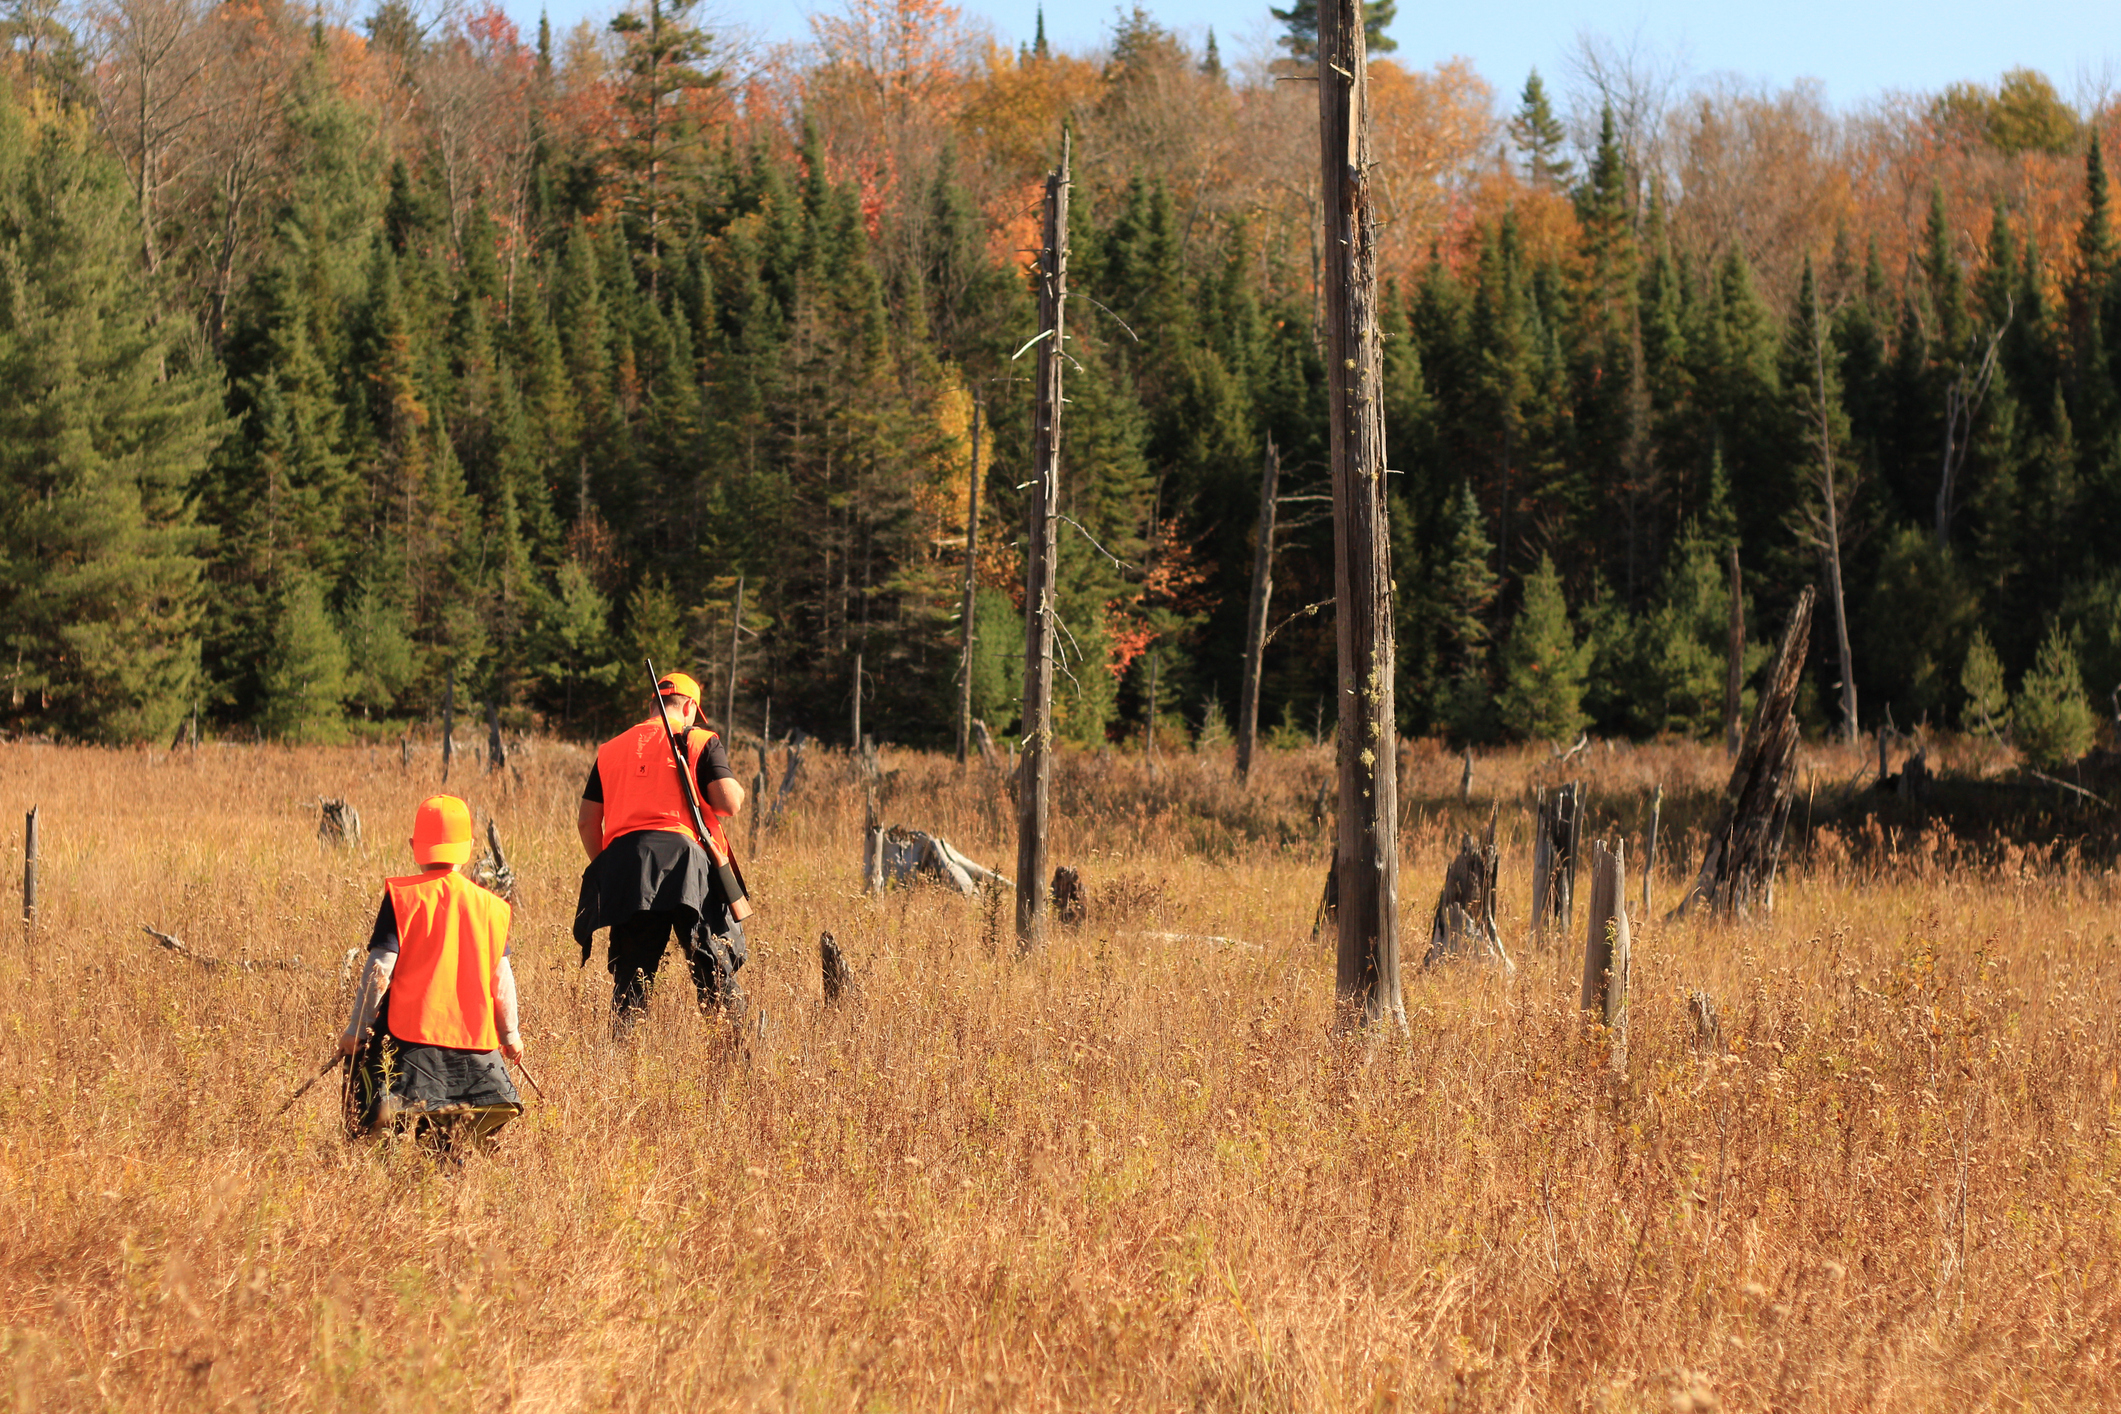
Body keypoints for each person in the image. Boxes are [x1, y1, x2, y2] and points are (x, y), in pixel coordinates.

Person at [341, 794, 523, 1148]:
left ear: (414, 846)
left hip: (408, 1047)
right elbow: (501, 981)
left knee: (374, 1131)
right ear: (469, 848)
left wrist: (355, 1031)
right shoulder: (490, 907)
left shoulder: (404, 898)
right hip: (474, 1054)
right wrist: (510, 1036)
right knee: (449, 1143)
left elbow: (380, 968)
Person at [573, 670, 748, 1031]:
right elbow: (729, 804)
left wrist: (613, 869)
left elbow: (587, 822)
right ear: (689, 707)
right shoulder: (698, 739)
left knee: (631, 981)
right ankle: (732, 1053)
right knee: (713, 968)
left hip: (628, 864)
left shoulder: (611, 748)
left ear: (652, 705)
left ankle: (622, 1064)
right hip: (687, 865)